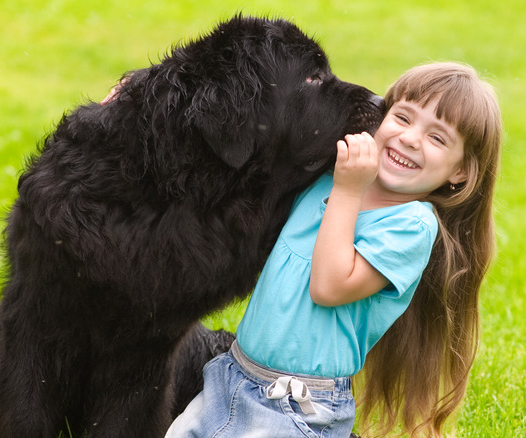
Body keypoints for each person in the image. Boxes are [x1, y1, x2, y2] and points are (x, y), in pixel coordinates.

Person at [165, 62, 503, 438]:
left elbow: (329, 286)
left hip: (296, 407)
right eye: (403, 117)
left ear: (461, 173)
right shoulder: (332, 173)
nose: (410, 138)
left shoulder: (411, 226)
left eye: (437, 138)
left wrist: (346, 190)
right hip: (230, 377)